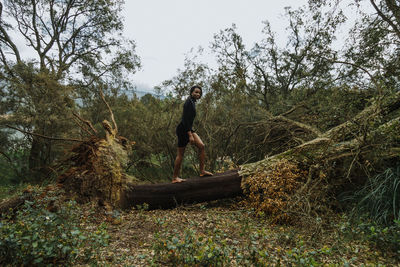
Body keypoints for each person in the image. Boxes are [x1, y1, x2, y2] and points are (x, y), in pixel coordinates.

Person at [172, 85, 213, 183]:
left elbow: (189, 121)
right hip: (184, 130)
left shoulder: (192, 102)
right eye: (196, 92)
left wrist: (190, 131)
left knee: (202, 146)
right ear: (191, 92)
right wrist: (190, 135)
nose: (197, 94)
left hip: (188, 129)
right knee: (180, 155)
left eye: (199, 93)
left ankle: (202, 171)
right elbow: (185, 120)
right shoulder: (188, 103)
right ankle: (174, 178)